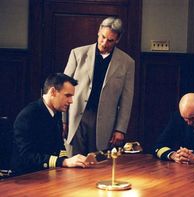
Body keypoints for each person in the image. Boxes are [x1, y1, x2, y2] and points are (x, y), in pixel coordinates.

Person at [63, 17, 135, 156]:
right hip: (76, 117)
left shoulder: (127, 63)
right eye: (102, 37)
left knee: (98, 167)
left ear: (117, 40)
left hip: (104, 122)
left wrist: (120, 129)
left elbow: (127, 98)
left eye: (110, 40)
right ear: (98, 32)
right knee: (72, 165)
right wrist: (63, 121)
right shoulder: (77, 54)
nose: (104, 42)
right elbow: (64, 89)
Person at [11, 73, 90, 176]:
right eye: (67, 95)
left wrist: (67, 162)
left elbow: (60, 146)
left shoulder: (56, 112)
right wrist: (63, 162)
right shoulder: (29, 115)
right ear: (53, 92)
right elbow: (26, 156)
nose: (71, 101)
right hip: (26, 178)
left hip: (48, 173)